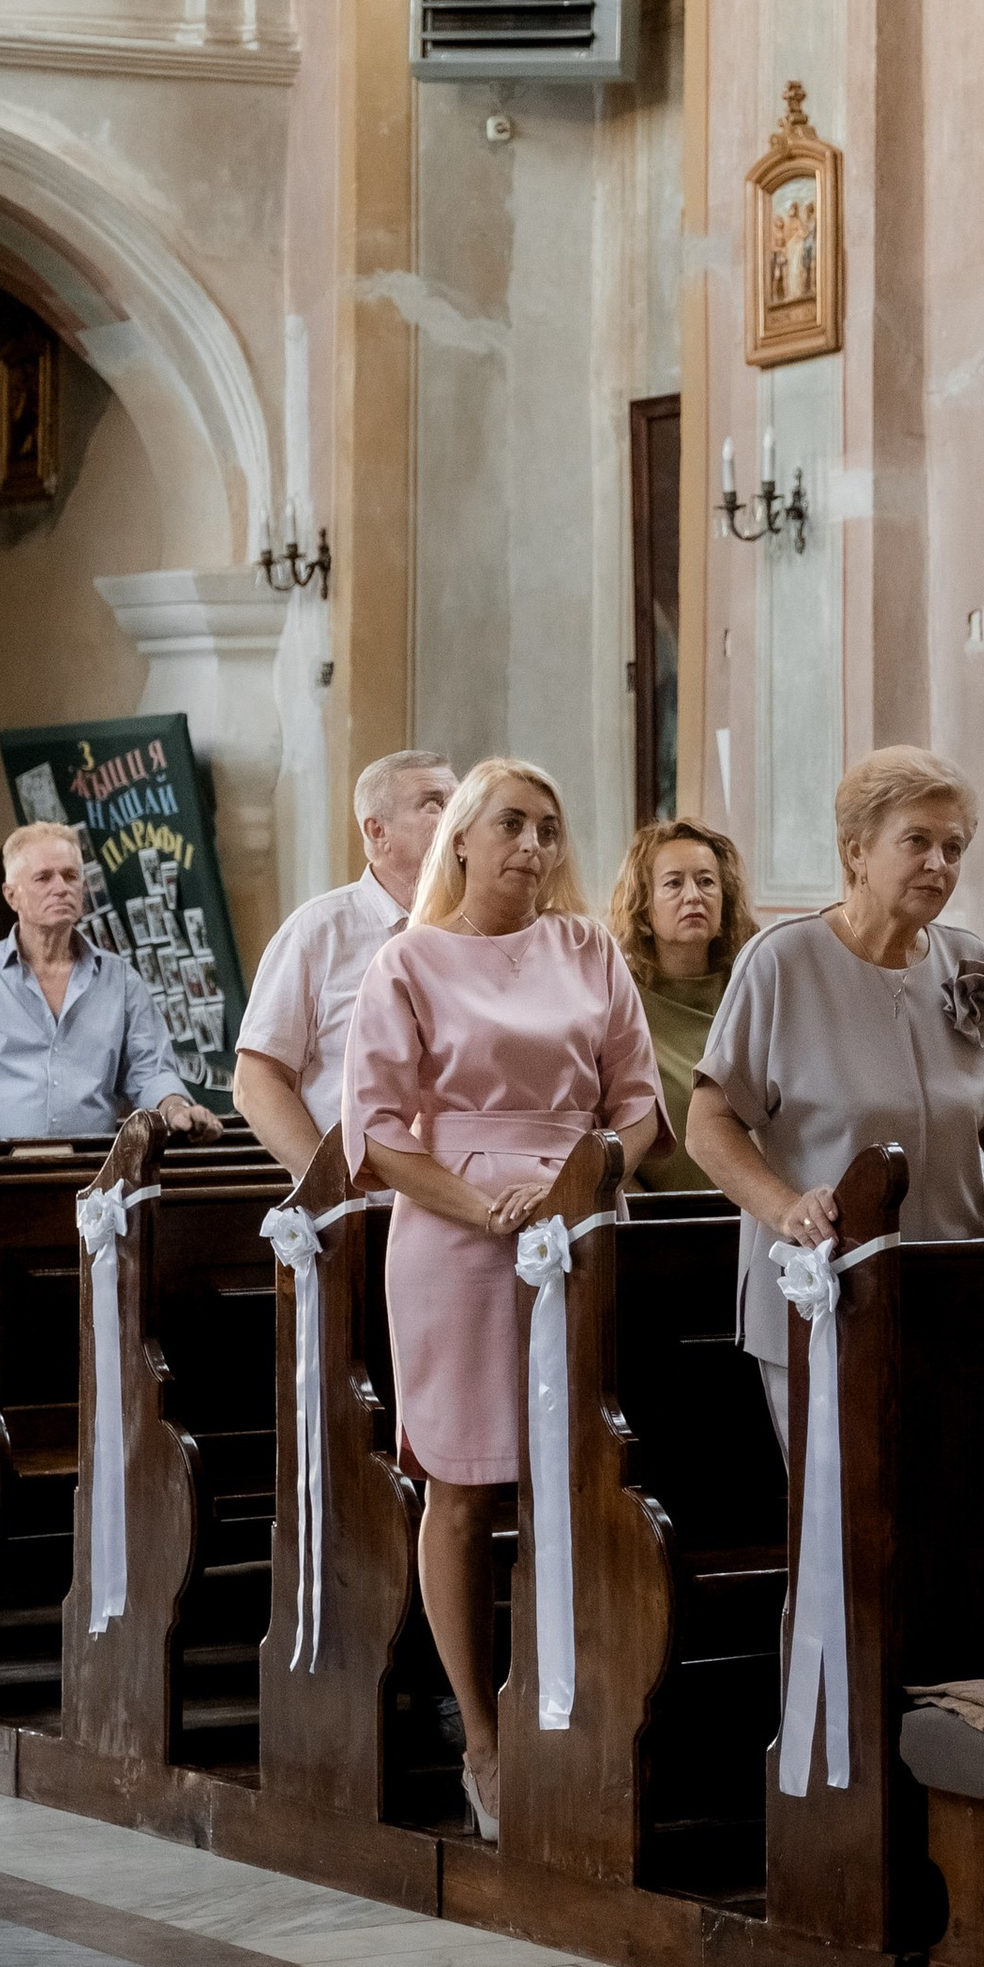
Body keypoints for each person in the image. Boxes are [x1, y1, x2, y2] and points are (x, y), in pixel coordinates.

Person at [339, 759, 661, 1848]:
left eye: (551, 826)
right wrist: (483, 1207)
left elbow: (638, 1107)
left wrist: (579, 1183)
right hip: (456, 1235)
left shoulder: (589, 950)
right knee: (466, 1487)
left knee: (581, 1486)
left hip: (577, 1222)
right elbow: (377, 1133)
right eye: (512, 824)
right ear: (461, 841)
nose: (533, 844)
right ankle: (482, 1733)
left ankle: (571, 1711)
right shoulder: (410, 960)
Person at [686, 749, 984, 1443]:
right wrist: (784, 1208)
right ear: (857, 850)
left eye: (954, 847)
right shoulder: (782, 961)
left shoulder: (966, 961)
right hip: (824, 1296)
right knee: (843, 1527)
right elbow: (708, 1121)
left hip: (948, 1291)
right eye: (917, 841)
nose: (940, 863)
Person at [0, 823, 223, 1146]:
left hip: (94, 1170)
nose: (61, 888)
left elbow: (152, 1073)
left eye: (71, 876)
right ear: (11, 895)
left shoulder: (121, 981)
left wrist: (175, 1109)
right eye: (44, 878)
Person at [231, 750, 458, 1176]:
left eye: (460, 802)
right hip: (364, 1202)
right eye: (434, 803)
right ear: (377, 831)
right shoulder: (319, 933)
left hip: (469, 1201)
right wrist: (332, 1187)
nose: (457, 817)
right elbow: (256, 1082)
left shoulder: (477, 929)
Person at [605, 817, 757, 1186]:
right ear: (643, 908)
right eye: (674, 883)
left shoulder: (752, 993)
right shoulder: (620, 1003)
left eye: (706, 882)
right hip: (654, 1221)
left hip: (756, 1214)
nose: (693, 896)